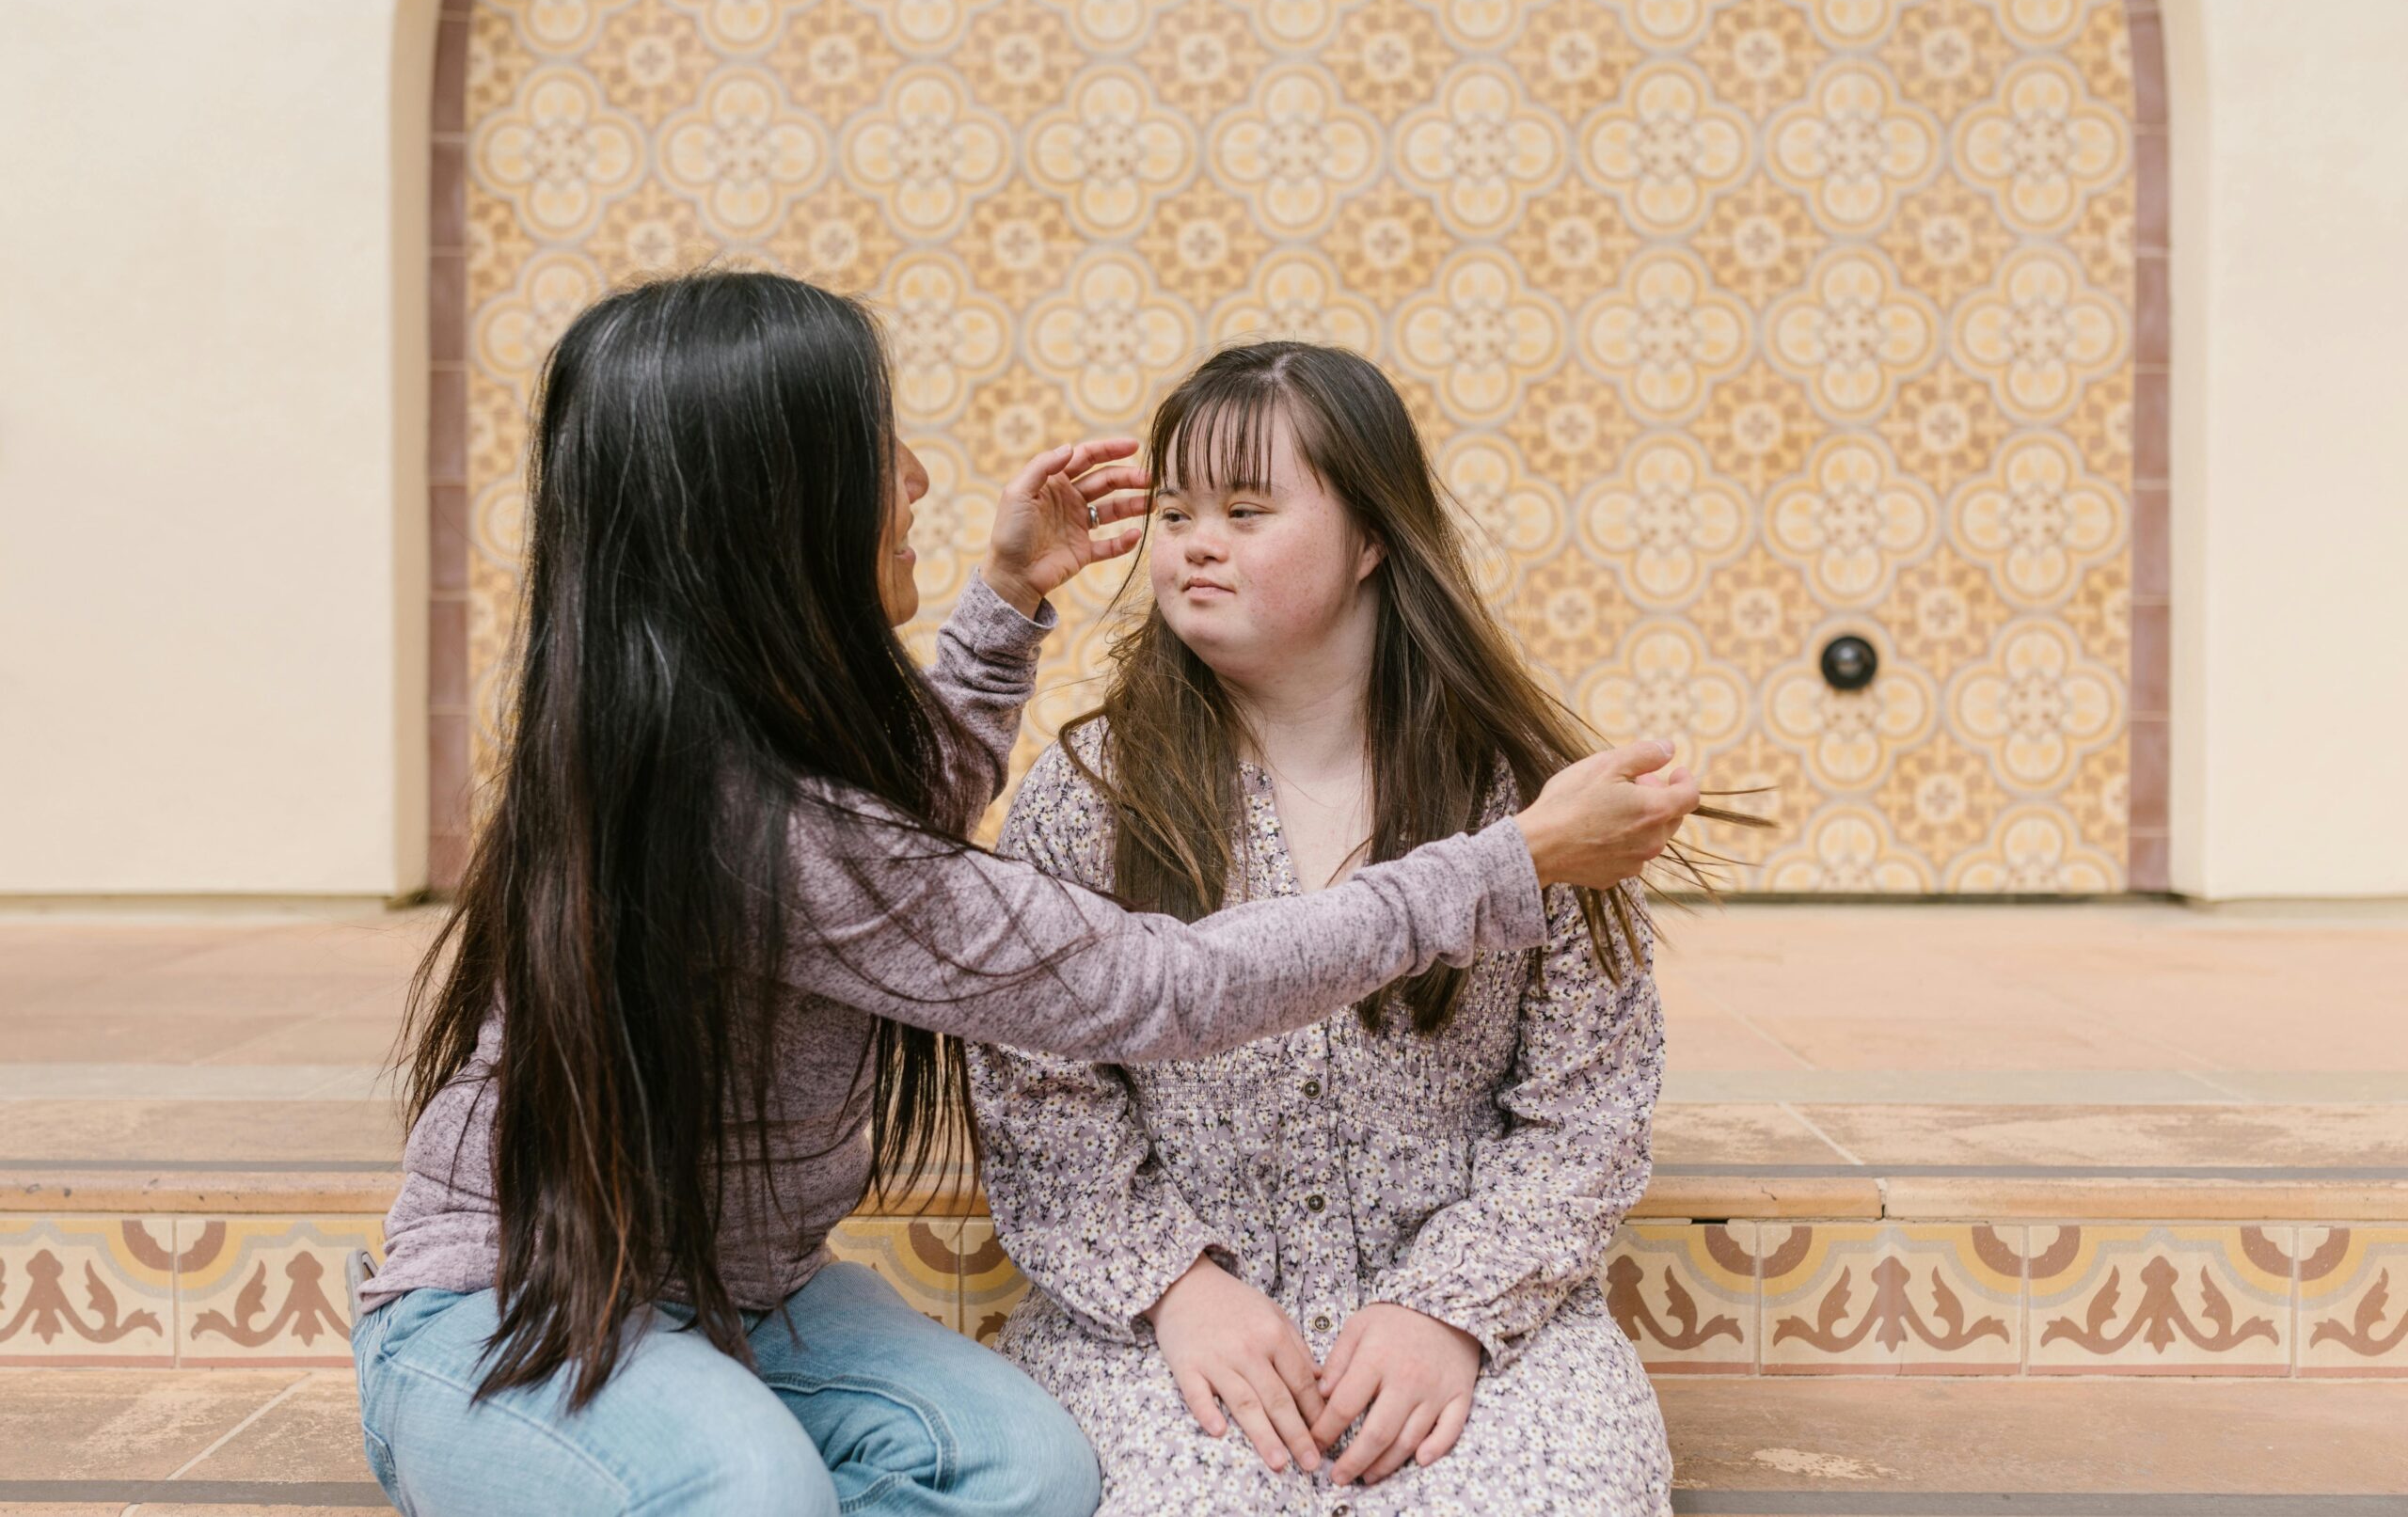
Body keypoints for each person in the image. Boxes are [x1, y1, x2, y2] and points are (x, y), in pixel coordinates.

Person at [350, 273, 1704, 1517]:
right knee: (757, 1492)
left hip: (743, 1293)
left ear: (1375, 539)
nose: (924, 476)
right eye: (881, 451)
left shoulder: (771, 777)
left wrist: (1005, 597)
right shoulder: (899, 807)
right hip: (534, 1299)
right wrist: (1508, 865)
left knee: (1030, 1470)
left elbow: (889, 833)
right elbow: (1150, 988)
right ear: (778, 516)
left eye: (1249, 509)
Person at [972, 342, 1725, 1516]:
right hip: (1165, 1328)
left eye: (1246, 509)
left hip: (1477, 1323)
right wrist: (1177, 1290)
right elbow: (1034, 1093)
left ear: (1373, 538)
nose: (1195, 542)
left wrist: (1450, 1310)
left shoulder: (1529, 804)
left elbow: (1589, 1108)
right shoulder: (1089, 792)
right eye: (1174, 512)